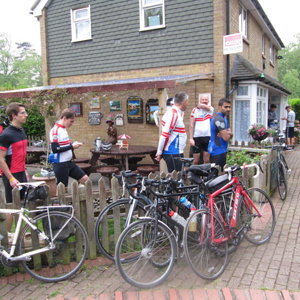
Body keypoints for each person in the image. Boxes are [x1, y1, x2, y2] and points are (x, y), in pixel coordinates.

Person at [0, 103, 29, 231]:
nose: (26, 115)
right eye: (22, 113)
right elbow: (0, 158)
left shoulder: (21, 131)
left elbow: (21, 154)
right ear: (14, 116)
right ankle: (6, 238)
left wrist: (25, 170)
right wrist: (11, 178)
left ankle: (19, 235)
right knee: (11, 208)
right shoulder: (6, 135)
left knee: (22, 206)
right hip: (11, 175)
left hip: (22, 173)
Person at [50, 109, 89, 187]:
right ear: (64, 118)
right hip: (60, 164)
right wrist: (71, 146)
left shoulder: (63, 129)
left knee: (86, 179)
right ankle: (60, 199)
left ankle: (80, 197)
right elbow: (55, 149)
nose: (72, 124)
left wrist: (73, 145)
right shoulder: (55, 130)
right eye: (71, 121)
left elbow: (63, 145)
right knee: (62, 189)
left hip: (69, 162)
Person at [155, 92, 189, 172]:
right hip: (172, 152)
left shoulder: (178, 113)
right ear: (183, 102)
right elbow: (164, 135)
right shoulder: (173, 115)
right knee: (176, 179)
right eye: (187, 102)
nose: (188, 104)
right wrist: (159, 152)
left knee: (179, 178)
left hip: (177, 151)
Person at [208, 98, 232, 170]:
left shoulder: (224, 118)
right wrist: (229, 134)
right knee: (216, 177)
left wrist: (229, 134)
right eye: (225, 107)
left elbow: (228, 135)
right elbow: (226, 138)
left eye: (229, 107)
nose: (228, 109)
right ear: (219, 107)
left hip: (221, 150)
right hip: (218, 151)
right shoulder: (219, 119)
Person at [190, 94, 214, 164]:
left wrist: (200, 105)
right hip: (197, 137)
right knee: (196, 160)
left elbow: (202, 106)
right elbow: (191, 125)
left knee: (206, 160)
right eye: (202, 100)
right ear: (199, 100)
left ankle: (205, 174)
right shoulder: (195, 110)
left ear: (208, 101)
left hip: (207, 136)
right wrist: (191, 138)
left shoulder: (211, 109)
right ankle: (195, 174)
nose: (204, 101)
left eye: (206, 100)